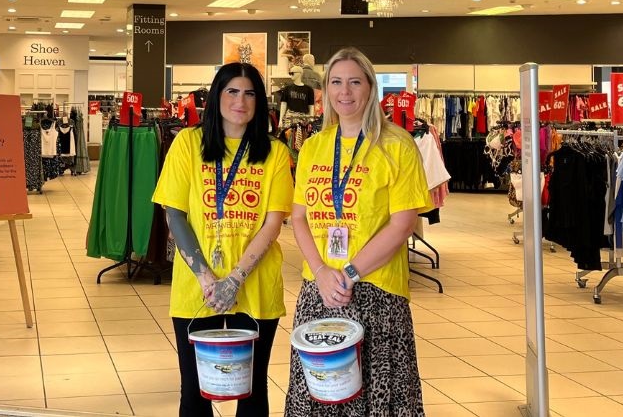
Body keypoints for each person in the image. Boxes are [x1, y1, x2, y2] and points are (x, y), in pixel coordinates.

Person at [285, 47, 432, 416]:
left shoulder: (398, 145)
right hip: (319, 290)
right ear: (326, 90)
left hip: (376, 293)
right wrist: (321, 272)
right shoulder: (313, 147)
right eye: (336, 82)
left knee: (378, 398)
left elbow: (403, 224)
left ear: (370, 88)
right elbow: (299, 217)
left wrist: (349, 274)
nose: (344, 92)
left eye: (354, 82)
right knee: (318, 397)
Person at [153, 62, 296, 417]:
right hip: (197, 289)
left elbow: (273, 222)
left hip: (256, 284)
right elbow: (174, 214)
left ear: (259, 102)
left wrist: (235, 278)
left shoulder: (275, 152)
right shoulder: (187, 143)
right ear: (216, 96)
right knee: (196, 391)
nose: (240, 101)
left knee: (251, 390)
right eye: (232, 91)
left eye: (250, 93)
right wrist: (206, 277)